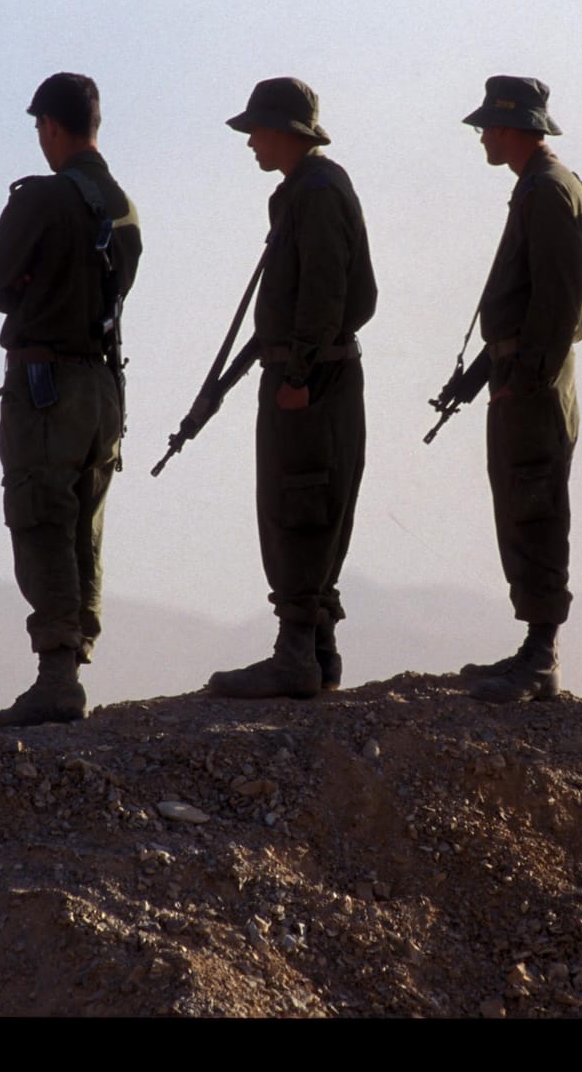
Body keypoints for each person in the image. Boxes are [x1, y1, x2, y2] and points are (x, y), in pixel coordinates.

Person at [0, 72, 142, 729]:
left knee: (41, 516)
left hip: (45, 384)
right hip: (102, 386)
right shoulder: (123, 205)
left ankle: (55, 677)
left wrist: (32, 289)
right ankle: (72, 661)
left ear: (50, 126)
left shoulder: (42, 198)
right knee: (83, 526)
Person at [205, 77, 377, 699]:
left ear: (285, 132)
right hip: (308, 372)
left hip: (312, 378)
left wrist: (300, 372)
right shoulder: (304, 190)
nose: (250, 141)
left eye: (257, 129)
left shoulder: (317, 192)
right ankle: (318, 650)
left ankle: (297, 655)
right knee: (306, 505)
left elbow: (328, 292)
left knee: (299, 505)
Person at [453, 76, 582, 704]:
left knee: (534, 505)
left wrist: (527, 376)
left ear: (515, 128)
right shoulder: (539, 186)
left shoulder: (545, 189)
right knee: (522, 503)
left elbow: (561, 302)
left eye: (490, 125)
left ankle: (541, 656)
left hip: (533, 384)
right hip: (522, 376)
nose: (484, 135)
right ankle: (534, 647)